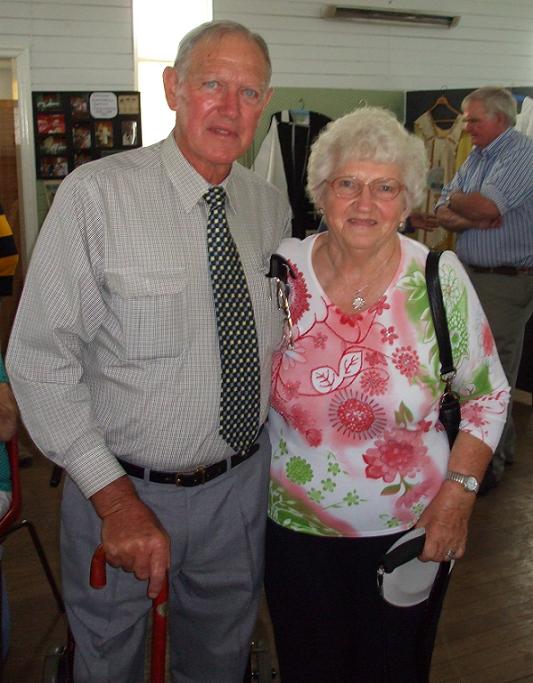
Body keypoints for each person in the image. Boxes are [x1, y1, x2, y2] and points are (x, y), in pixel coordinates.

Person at [7, 20, 290, 683]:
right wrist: (116, 503)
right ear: (173, 87)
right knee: (109, 659)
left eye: (248, 93)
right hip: (122, 488)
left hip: (239, 490)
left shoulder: (267, 207)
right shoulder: (95, 195)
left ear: (264, 104)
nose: (228, 107)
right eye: (211, 84)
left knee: (220, 657)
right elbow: (40, 360)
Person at [264, 107, 510, 683]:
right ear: (321, 193)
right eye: (347, 184)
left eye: (385, 187)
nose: (364, 202)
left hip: (411, 527)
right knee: (307, 667)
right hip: (294, 528)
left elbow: (488, 397)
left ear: (407, 202)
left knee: (393, 667)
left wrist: (459, 497)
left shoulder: (438, 276)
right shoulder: (283, 268)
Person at [435, 87, 533, 492]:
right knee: (469, 371)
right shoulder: (477, 156)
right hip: (471, 273)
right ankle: (490, 455)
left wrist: (465, 207)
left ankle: (489, 466)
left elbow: (486, 208)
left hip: (504, 279)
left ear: (500, 119)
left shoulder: (521, 154)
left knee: (492, 375)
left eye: (473, 119)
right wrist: (466, 210)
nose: (466, 126)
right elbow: (445, 209)